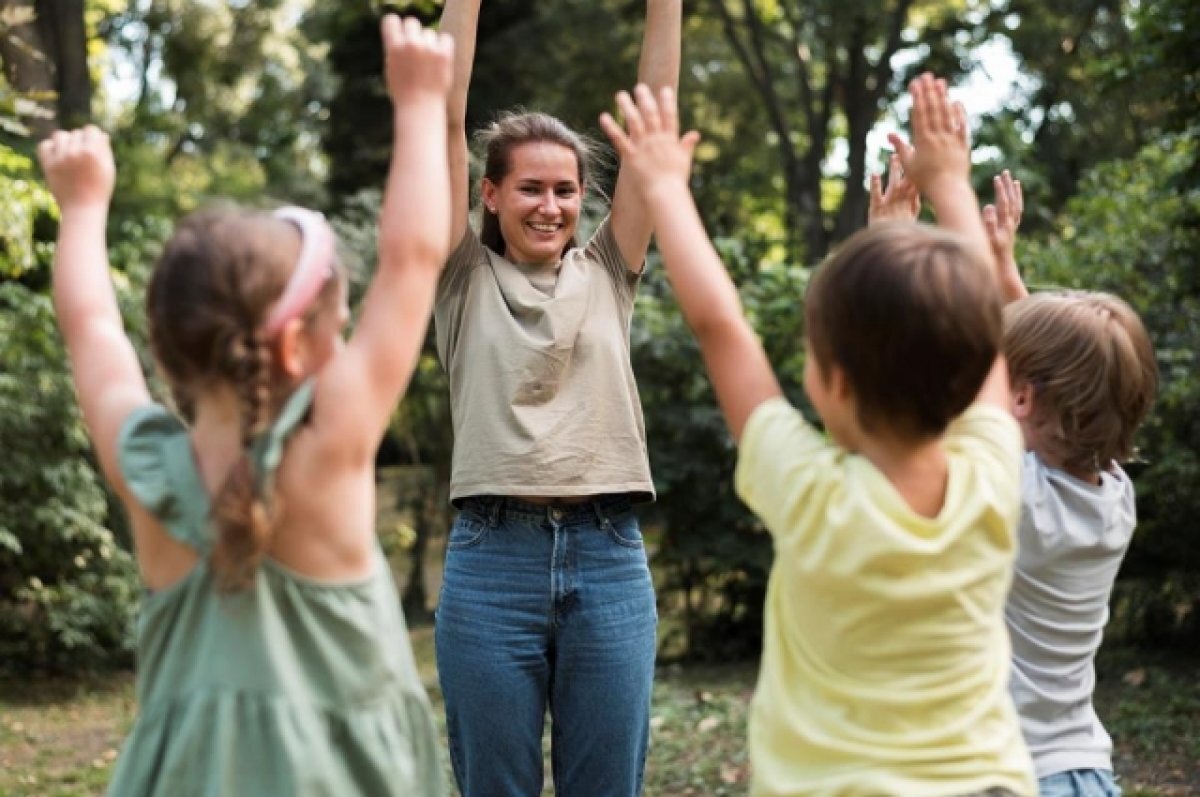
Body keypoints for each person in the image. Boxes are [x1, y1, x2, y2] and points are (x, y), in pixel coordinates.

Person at [37, 16, 453, 796]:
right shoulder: (334, 445)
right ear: (299, 347)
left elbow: (91, 325)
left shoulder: (146, 465)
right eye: (343, 314)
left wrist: (83, 205)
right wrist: (421, 102)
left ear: (167, 350)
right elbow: (413, 257)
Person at [600, 76, 1037, 795]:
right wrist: (951, 185)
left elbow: (721, 326)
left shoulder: (809, 493)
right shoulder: (993, 475)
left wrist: (665, 187)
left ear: (831, 382)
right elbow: (981, 330)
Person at [430, 1, 680, 794]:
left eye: (566, 191)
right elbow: (441, 119)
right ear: (489, 195)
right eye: (531, 188)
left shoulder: (608, 269)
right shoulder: (460, 274)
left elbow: (654, 133)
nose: (551, 206)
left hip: (609, 553)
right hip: (491, 557)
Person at [983, 171, 1158, 797]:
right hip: (1081, 769)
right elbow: (1066, 370)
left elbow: (993, 383)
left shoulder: (1017, 494)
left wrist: (911, 228)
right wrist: (1003, 265)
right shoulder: (1113, 497)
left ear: (1024, 398)